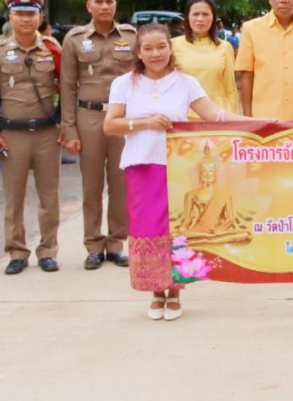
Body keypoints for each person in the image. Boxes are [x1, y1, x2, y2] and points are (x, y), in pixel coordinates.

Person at [103, 23, 247, 320]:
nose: (156, 53)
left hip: (178, 168)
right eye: (148, 48)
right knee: (148, 229)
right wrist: (144, 123)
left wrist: (257, 125)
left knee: (177, 228)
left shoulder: (185, 82)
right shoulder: (124, 84)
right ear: (139, 53)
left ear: (171, 48)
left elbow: (214, 115)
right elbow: (110, 124)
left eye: (161, 47)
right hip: (142, 166)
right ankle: (156, 291)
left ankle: (175, 291)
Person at [0, 0, 64, 275]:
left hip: (46, 133)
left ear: (40, 17)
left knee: (49, 196)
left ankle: (48, 250)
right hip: (11, 134)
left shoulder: (53, 49)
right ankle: (16, 251)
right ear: (10, 17)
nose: (25, 19)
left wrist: (66, 127)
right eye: (19, 13)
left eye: (31, 13)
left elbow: (67, 89)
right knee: (13, 197)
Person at [60, 0, 137, 270]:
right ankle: (93, 244)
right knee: (91, 185)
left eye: (109, 1)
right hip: (88, 117)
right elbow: (67, 87)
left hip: (122, 118)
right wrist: (68, 129)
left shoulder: (131, 36)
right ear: (88, 6)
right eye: (99, 2)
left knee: (121, 185)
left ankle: (116, 243)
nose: (105, 6)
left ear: (116, 5)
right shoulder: (75, 40)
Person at [172, 0, 238, 118]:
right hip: (184, 118)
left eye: (205, 14)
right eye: (196, 14)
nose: (200, 19)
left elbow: (231, 89)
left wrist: (232, 121)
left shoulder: (224, 47)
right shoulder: (173, 45)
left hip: (216, 118)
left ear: (213, 18)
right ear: (187, 17)